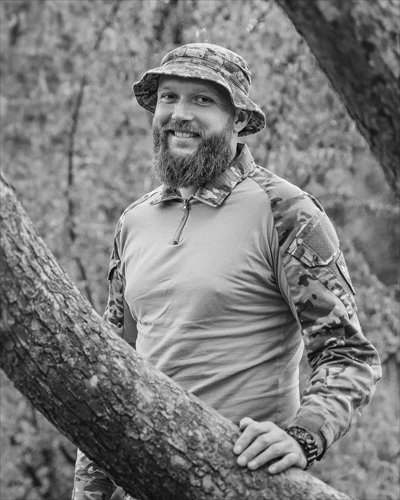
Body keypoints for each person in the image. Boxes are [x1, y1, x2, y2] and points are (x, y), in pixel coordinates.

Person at [72, 43, 381, 500]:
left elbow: (349, 356)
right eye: (169, 97)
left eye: (202, 100)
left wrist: (302, 437)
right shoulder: (134, 221)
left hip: (242, 482)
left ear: (238, 118)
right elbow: (111, 375)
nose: (180, 114)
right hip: (143, 486)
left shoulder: (285, 212)